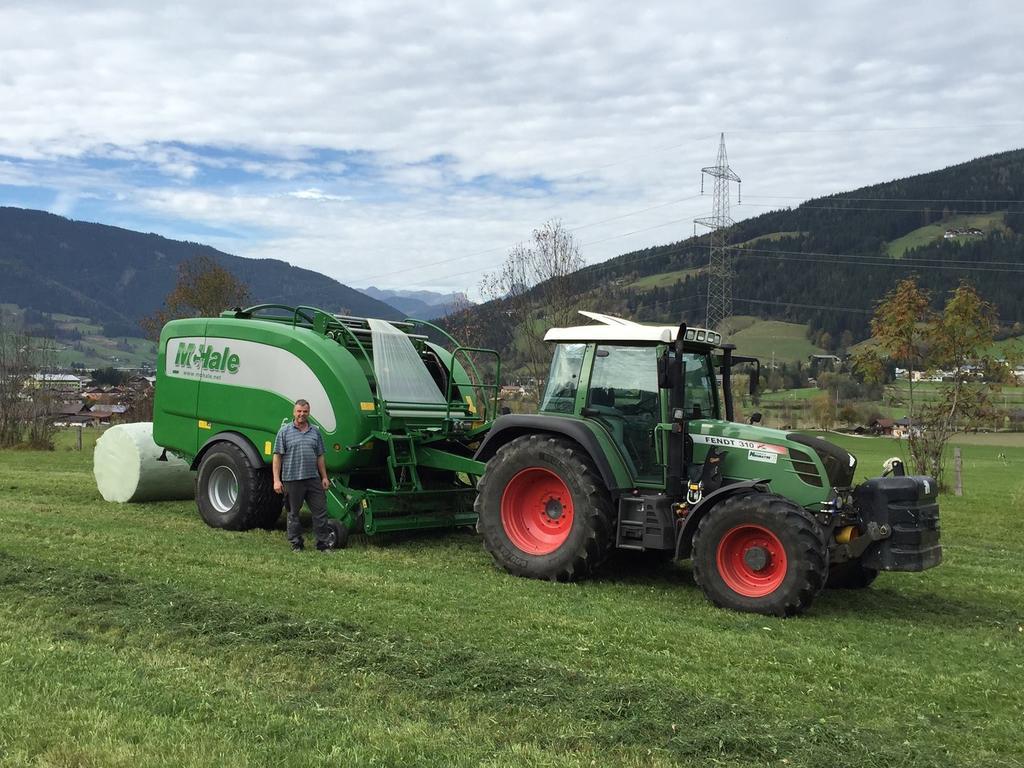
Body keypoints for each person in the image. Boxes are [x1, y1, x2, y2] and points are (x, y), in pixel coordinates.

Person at [272, 399, 331, 552]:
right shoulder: (284, 432)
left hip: (312, 479)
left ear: (308, 413)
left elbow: (320, 456)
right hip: (292, 479)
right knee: (293, 514)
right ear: (294, 412)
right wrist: (276, 480)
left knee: (320, 511)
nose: (302, 414)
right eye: (299, 411)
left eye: (305, 412)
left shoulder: (315, 432)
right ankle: (296, 544)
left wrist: (324, 477)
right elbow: (277, 457)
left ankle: (323, 544)